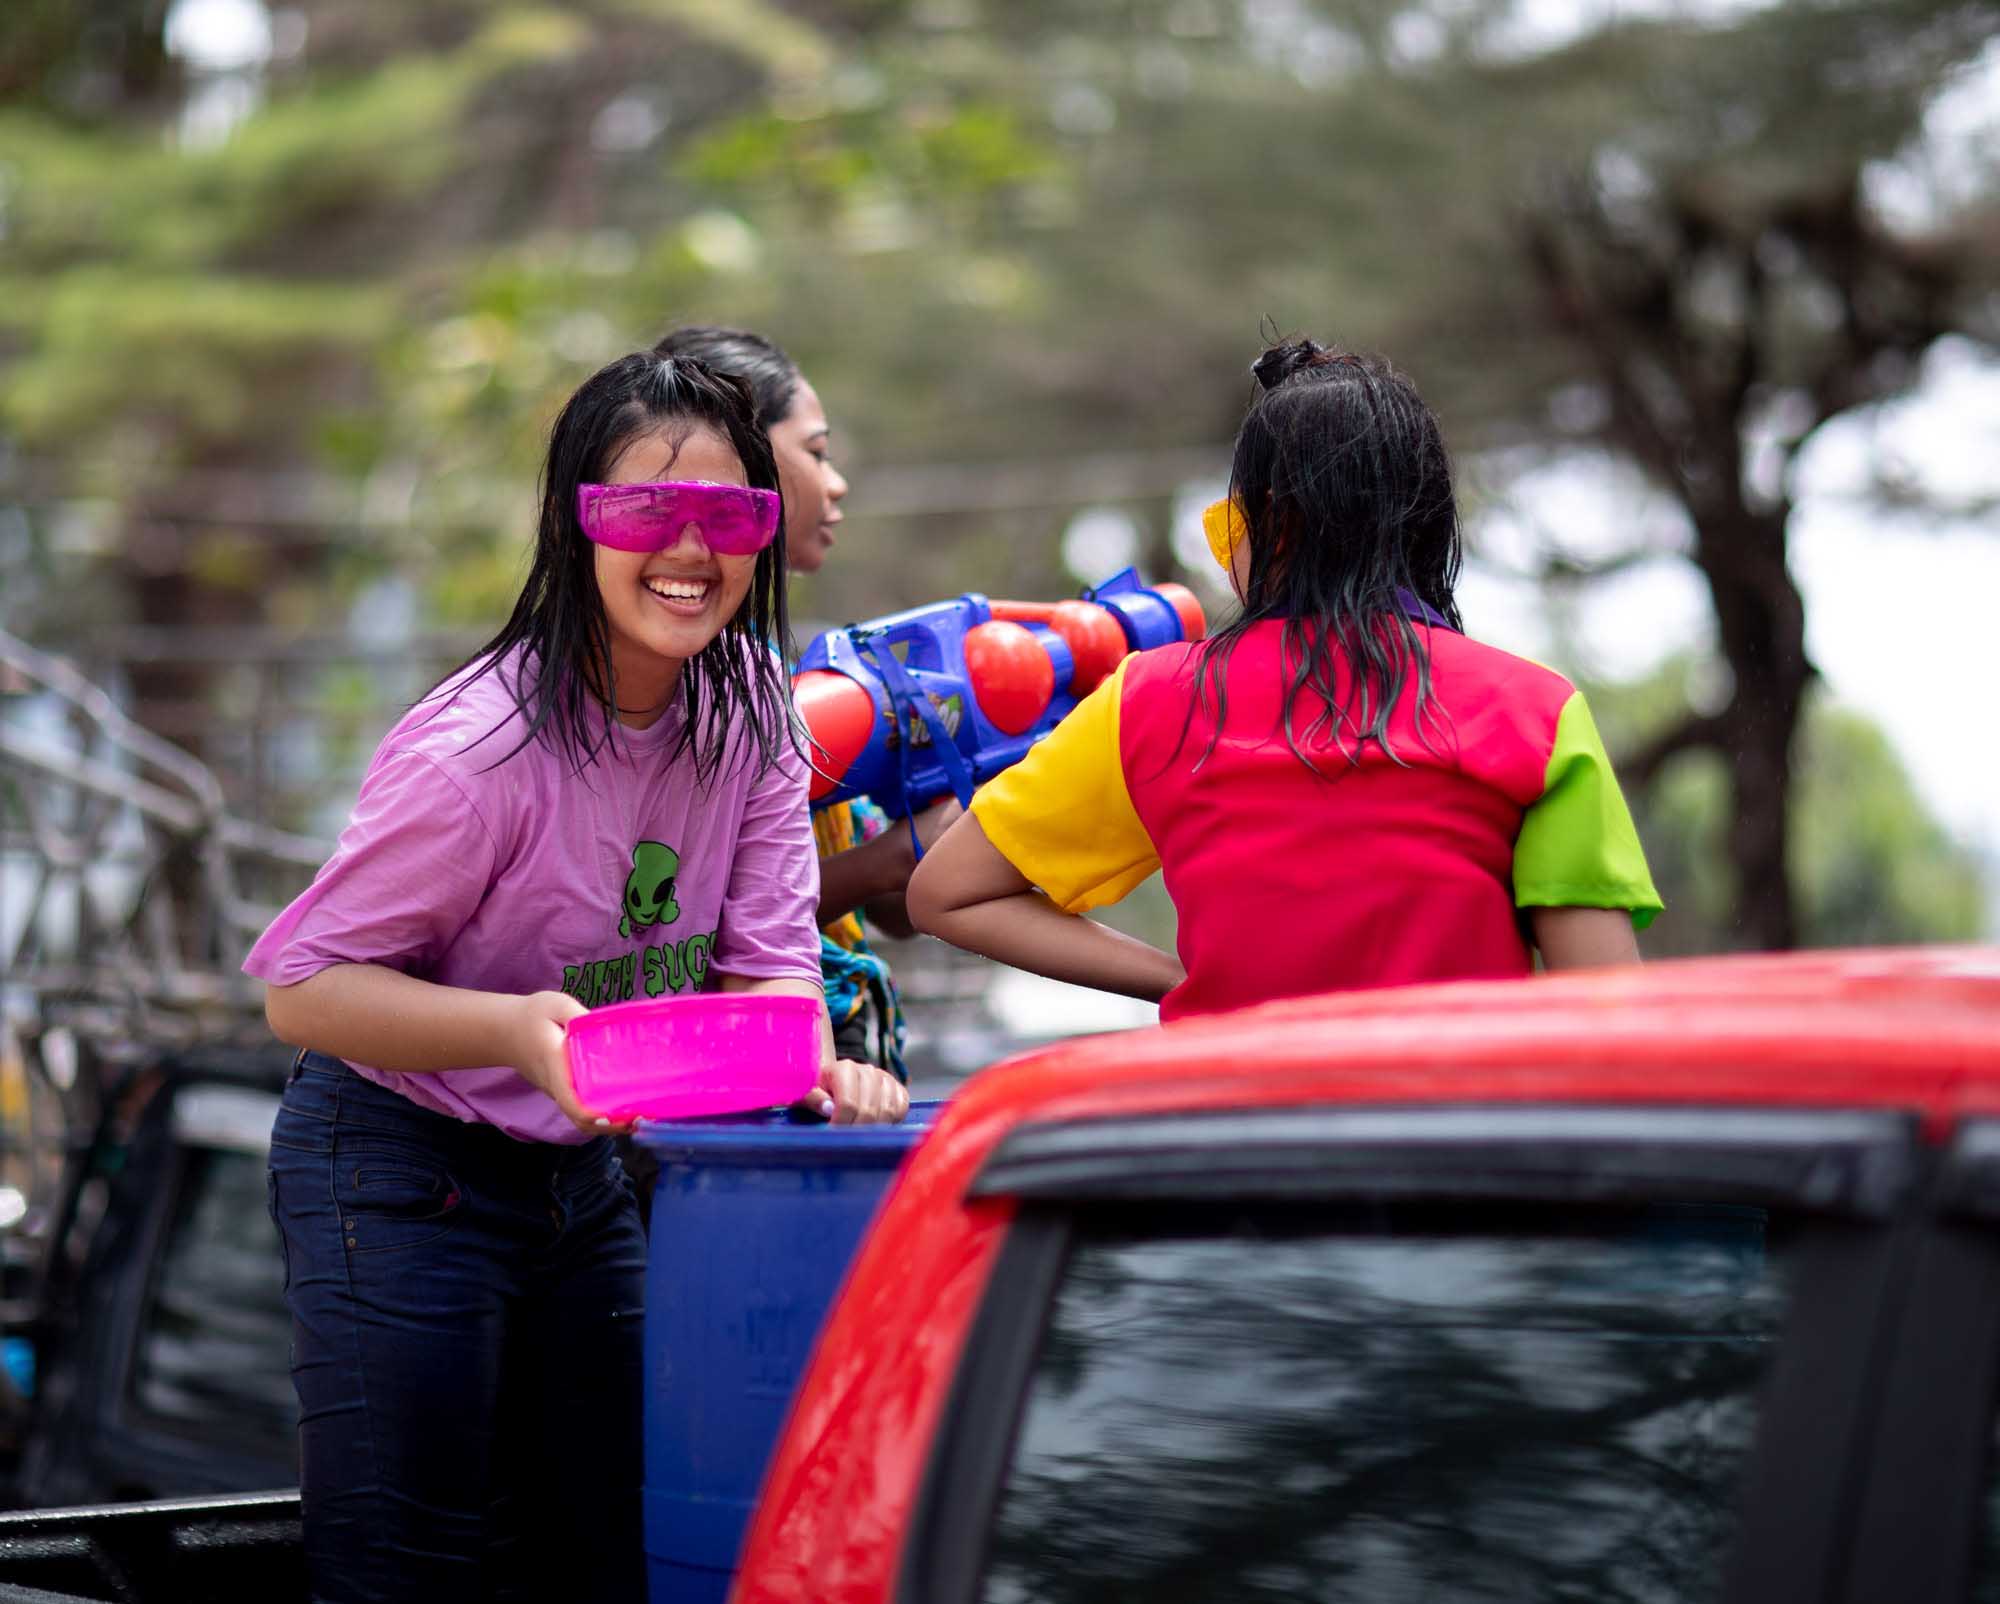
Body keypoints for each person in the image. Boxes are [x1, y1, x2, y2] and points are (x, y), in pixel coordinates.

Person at [248, 352, 908, 1604]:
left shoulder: (755, 718)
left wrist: (827, 1066)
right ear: (576, 523)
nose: (689, 550)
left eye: (729, 514)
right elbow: (304, 987)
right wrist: (516, 1027)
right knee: (411, 1573)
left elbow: (770, 979)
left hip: (578, 1172)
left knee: (613, 1555)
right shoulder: (476, 755)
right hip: (395, 1163)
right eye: (643, 512)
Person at [908, 336, 1661, 1018]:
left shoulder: (1148, 699)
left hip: (1239, 1142)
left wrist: (1181, 982)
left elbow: (948, 894)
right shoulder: (1536, 714)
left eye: (1229, 525)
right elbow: (1603, 1005)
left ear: (1274, 527)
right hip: (1461, 1144)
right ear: (1428, 527)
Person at [652, 325, 957, 1077]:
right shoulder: (690, 670)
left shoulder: (774, 667)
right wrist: (892, 857)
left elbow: (888, 912)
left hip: (841, 1047)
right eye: (815, 452)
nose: (837, 481)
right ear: (742, 458)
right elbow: (684, 919)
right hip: (758, 1058)